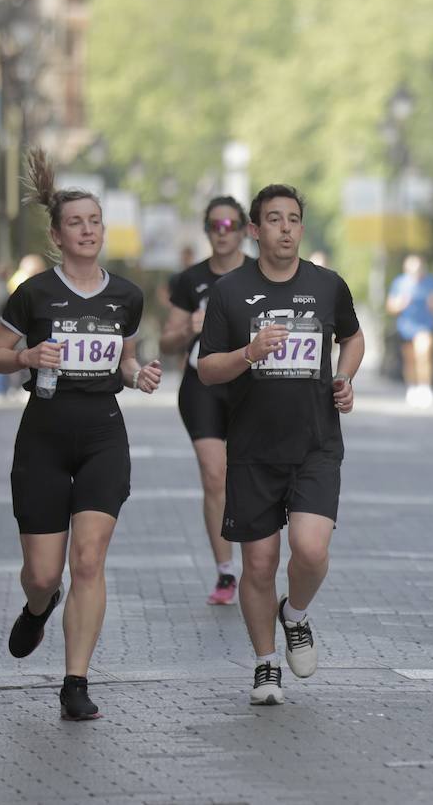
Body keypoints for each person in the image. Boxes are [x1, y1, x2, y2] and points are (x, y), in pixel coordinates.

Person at [0, 149, 162, 721]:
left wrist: (141, 374)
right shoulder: (34, 293)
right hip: (43, 436)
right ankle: (39, 606)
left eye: (95, 222)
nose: (87, 231)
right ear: (58, 235)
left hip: (104, 435)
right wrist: (29, 354)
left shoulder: (125, 296)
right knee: (43, 573)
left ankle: (76, 681)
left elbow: (125, 363)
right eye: (76, 223)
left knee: (89, 561)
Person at [198, 184, 364, 706]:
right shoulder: (229, 292)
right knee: (260, 565)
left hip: (316, 442)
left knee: (311, 551)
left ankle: (295, 614)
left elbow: (353, 337)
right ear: (255, 230)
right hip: (253, 447)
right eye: (274, 219)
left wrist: (345, 375)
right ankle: (265, 663)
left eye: (293, 219)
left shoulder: (327, 286)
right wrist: (248, 352)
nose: (286, 228)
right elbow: (206, 369)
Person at [160, 196, 257, 605]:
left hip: (252, 385)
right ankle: (225, 572)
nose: (223, 233)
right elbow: (166, 341)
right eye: (215, 226)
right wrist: (190, 330)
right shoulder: (189, 280)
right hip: (202, 384)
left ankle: (257, 565)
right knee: (214, 474)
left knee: (249, 476)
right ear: (206, 230)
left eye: (230, 225)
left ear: (243, 230)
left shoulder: (260, 273)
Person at [386, 254, 433, 408]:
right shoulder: (399, 283)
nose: (416, 271)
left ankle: (425, 387)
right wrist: (400, 304)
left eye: (418, 268)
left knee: (423, 354)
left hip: (425, 326)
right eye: (412, 268)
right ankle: (412, 388)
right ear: (406, 269)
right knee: (410, 359)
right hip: (406, 326)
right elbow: (390, 307)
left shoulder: (430, 282)